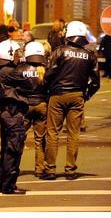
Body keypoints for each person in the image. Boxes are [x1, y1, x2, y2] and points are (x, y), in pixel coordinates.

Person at [41, 21, 100, 180]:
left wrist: (46, 90)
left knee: (53, 133)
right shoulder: (89, 55)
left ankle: (50, 169)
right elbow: (96, 82)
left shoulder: (60, 51)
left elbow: (49, 74)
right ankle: (70, 170)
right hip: (77, 96)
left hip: (57, 95)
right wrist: (85, 95)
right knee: (73, 134)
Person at [0, 39, 25, 194]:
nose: (19, 56)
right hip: (13, 113)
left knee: (6, 150)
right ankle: (9, 185)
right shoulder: (10, 72)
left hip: (6, 112)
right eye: (16, 53)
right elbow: (32, 83)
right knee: (13, 150)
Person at [21, 42, 49, 178]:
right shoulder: (45, 70)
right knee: (40, 139)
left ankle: (14, 165)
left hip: (25, 105)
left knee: (19, 137)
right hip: (41, 104)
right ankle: (39, 168)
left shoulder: (21, 69)